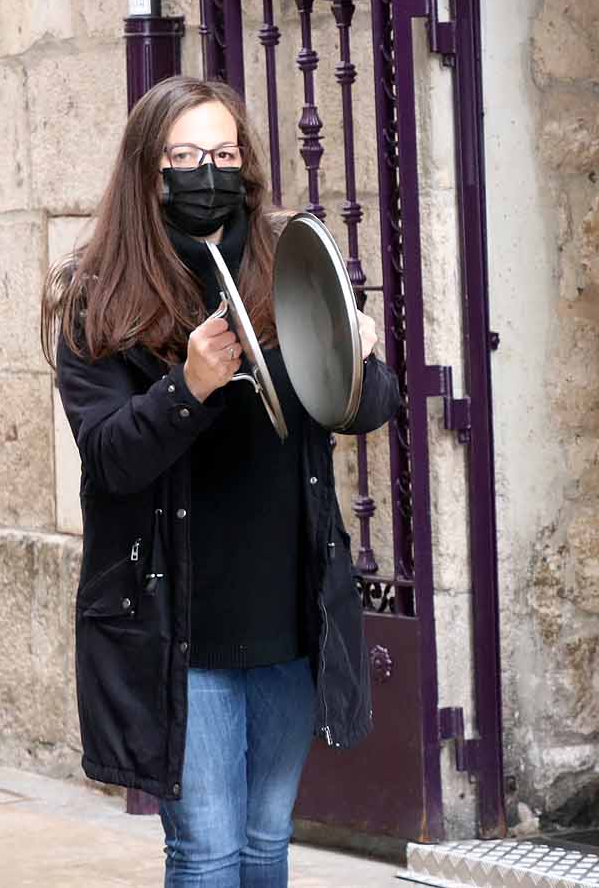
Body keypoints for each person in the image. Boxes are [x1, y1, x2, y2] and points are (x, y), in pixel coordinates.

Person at [42, 75, 398, 887]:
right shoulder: (98, 296)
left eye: (225, 153)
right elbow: (110, 459)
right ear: (147, 169)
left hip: (285, 616)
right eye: (186, 156)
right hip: (179, 629)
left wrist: (356, 354)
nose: (209, 171)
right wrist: (189, 386)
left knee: (267, 840)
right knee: (205, 848)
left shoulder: (292, 260)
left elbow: (369, 407)